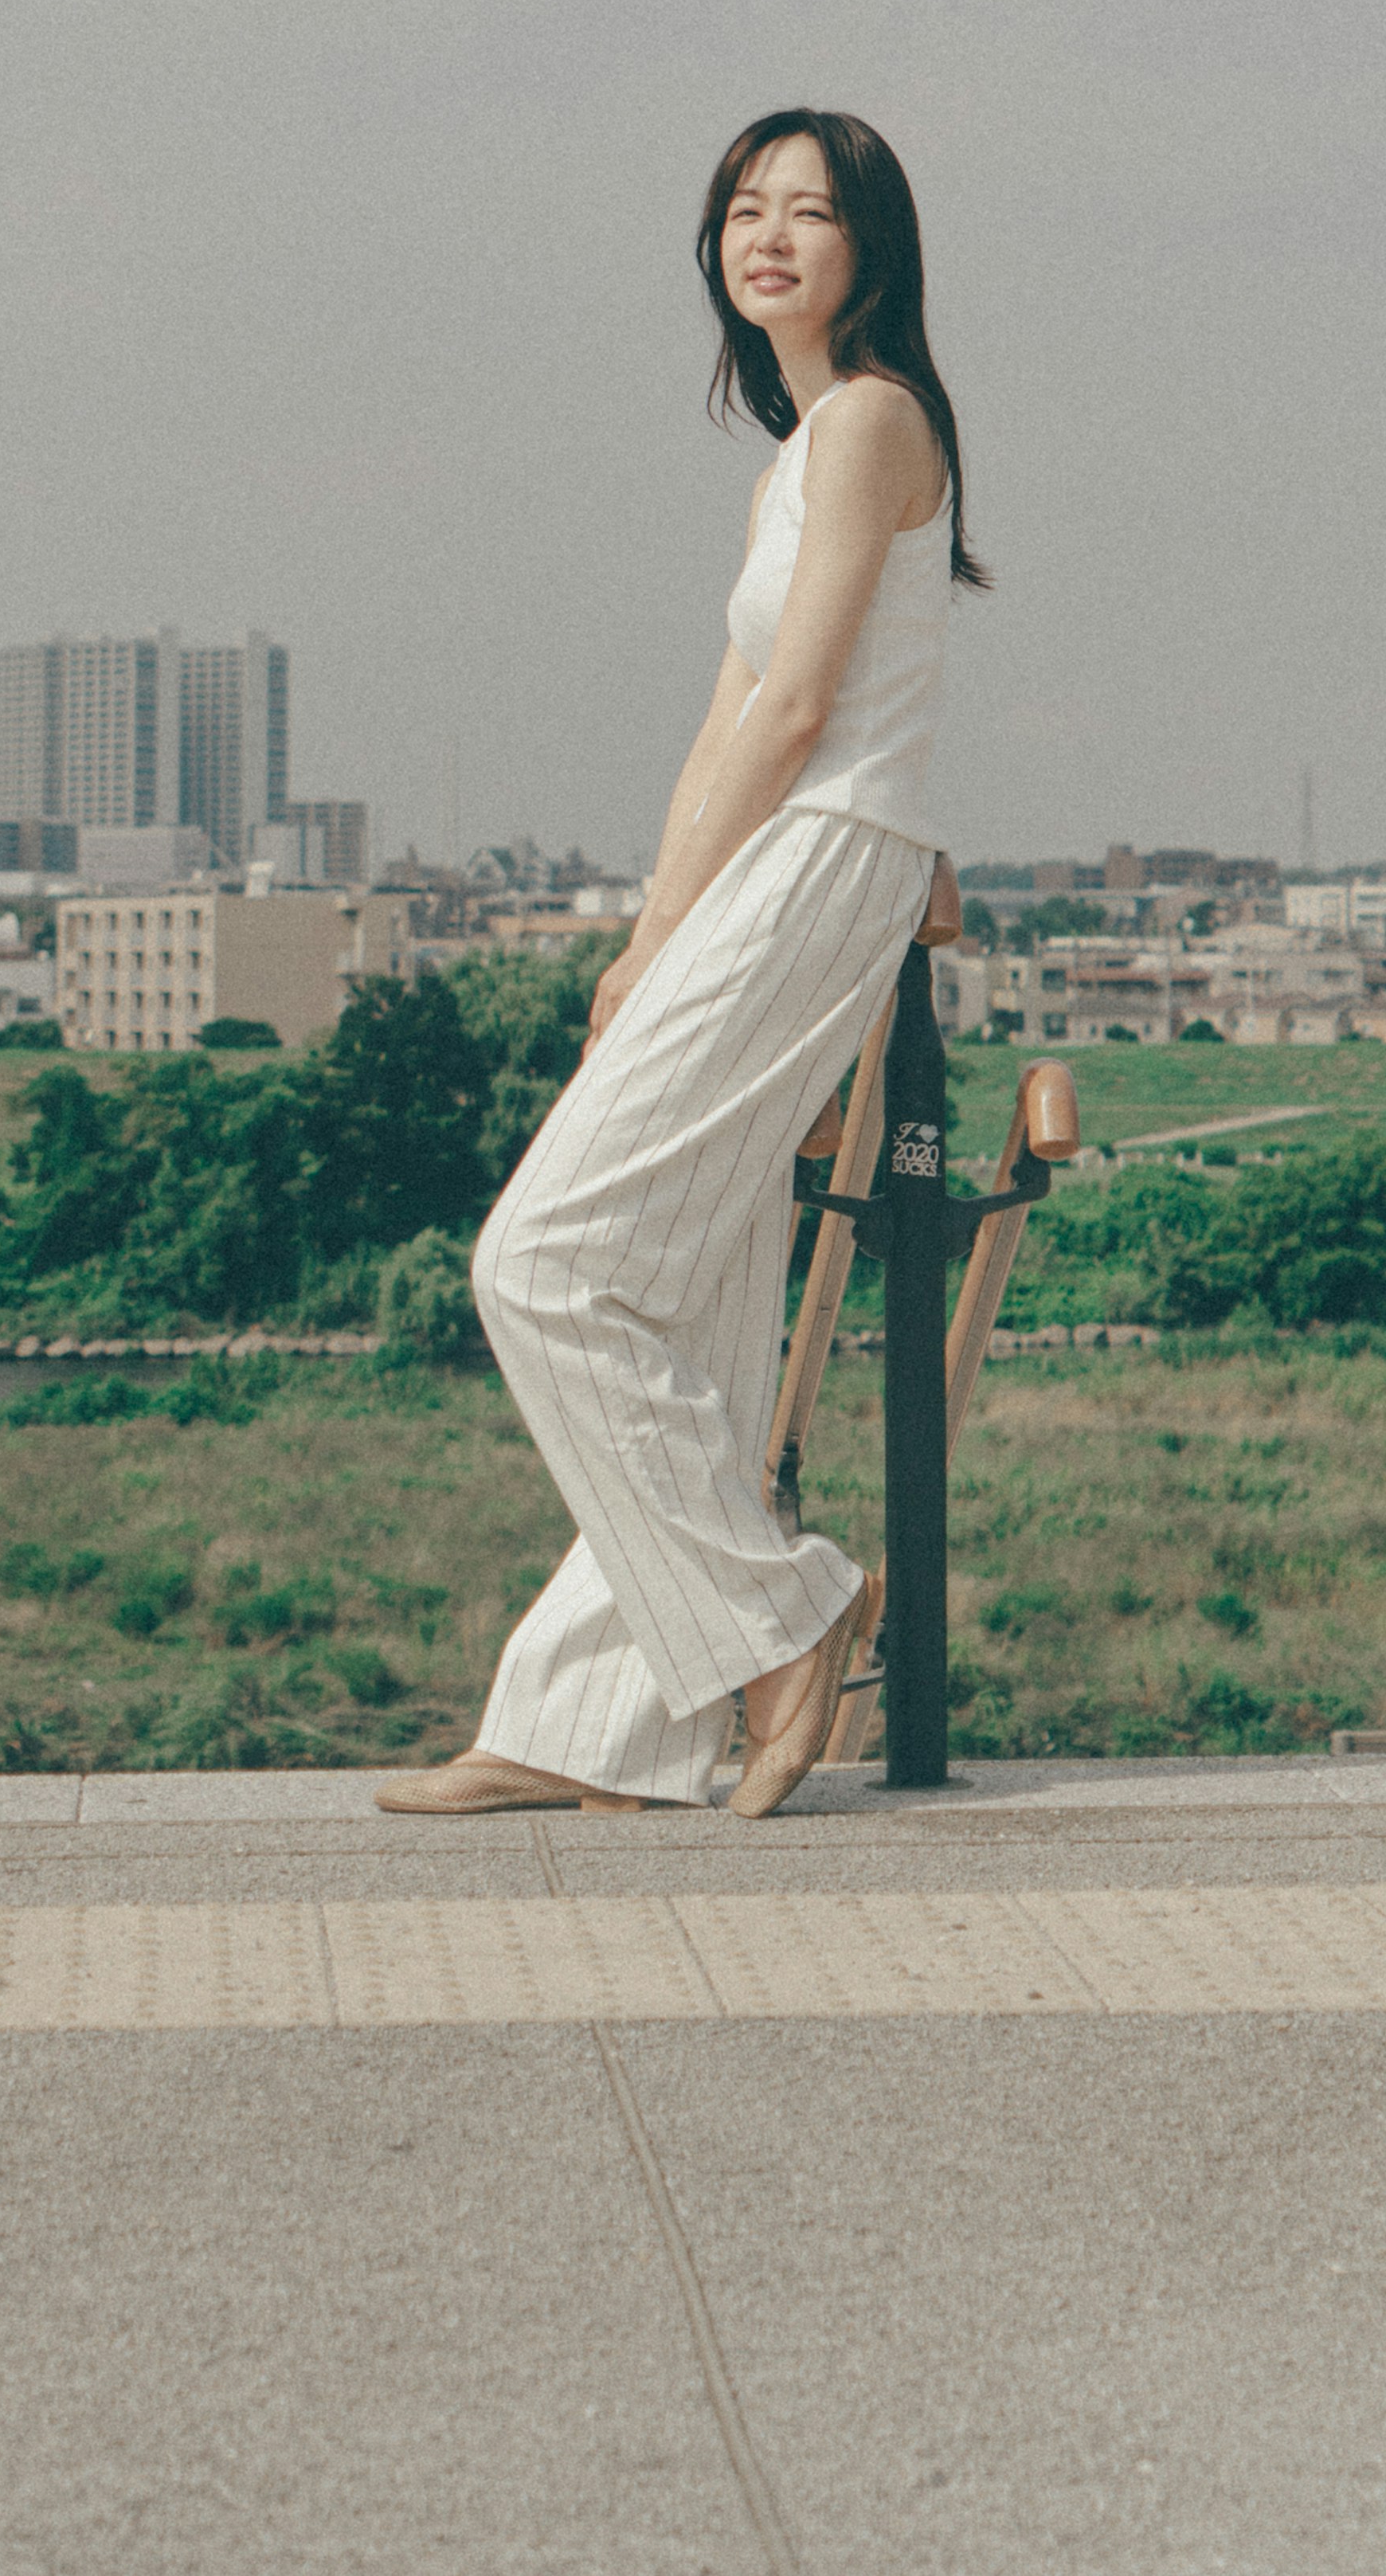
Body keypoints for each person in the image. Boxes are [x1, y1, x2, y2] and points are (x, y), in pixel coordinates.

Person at [377, 107, 984, 1822]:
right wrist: (649, 929)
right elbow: (730, 704)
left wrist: (683, 924)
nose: (769, 235)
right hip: (764, 867)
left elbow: (800, 711)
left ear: (874, 249)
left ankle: (786, 1614)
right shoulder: (795, 455)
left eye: (811, 211)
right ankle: (602, 1722)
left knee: (545, 1261)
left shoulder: (870, 421)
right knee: (689, 1281)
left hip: (828, 851)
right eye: (744, 207)